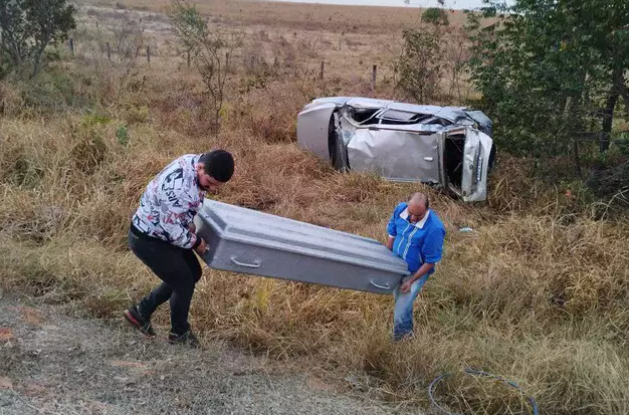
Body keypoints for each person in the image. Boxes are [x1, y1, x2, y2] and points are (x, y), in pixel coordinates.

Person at [123, 150, 234, 348]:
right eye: (210, 182)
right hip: (148, 239)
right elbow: (171, 229)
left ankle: (141, 312)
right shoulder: (179, 188)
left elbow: (179, 214)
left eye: (216, 185)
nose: (212, 188)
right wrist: (196, 242)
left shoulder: (194, 162)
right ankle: (179, 333)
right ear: (200, 168)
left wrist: (188, 224)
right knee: (184, 282)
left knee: (192, 273)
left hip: (161, 233)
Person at [386, 192, 446, 341]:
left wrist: (411, 281)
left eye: (418, 216)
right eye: (410, 213)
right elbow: (392, 232)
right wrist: (386, 258)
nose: (412, 218)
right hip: (397, 264)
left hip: (416, 271)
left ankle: (400, 341)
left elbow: (430, 261)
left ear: (427, 210)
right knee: (400, 301)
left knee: (400, 309)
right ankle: (407, 334)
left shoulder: (434, 229)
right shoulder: (400, 209)